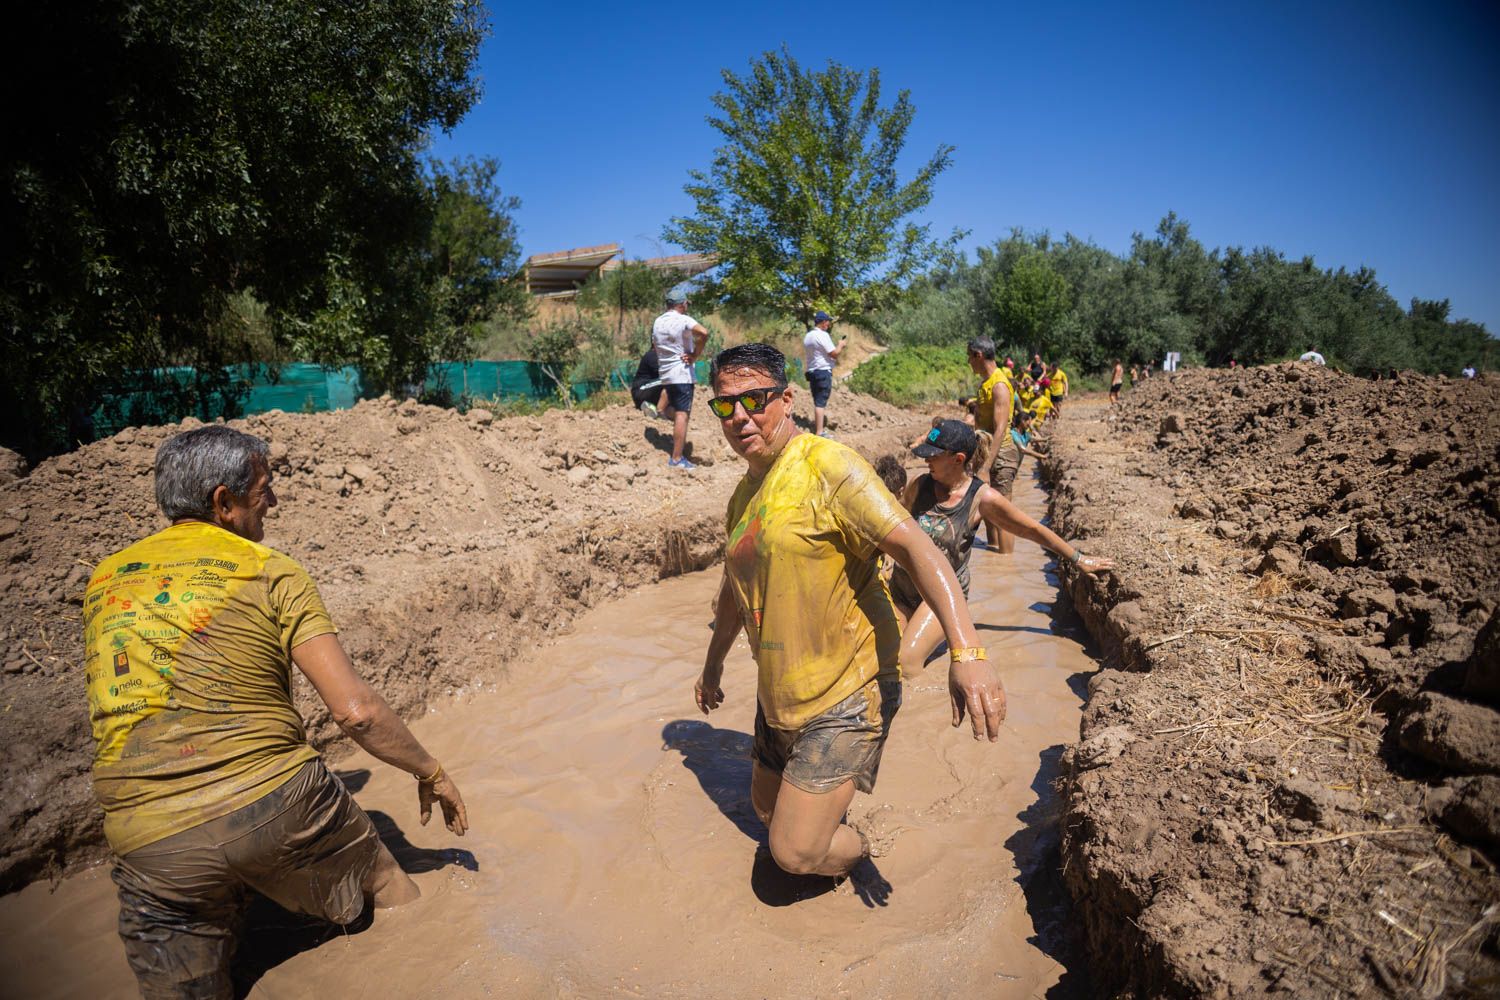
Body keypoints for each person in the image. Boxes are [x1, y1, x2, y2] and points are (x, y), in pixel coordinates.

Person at [85, 426, 468, 999]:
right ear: (223, 502)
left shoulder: (104, 580)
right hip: (279, 798)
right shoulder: (268, 570)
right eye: (265, 490)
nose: (275, 502)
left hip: (148, 839)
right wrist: (431, 772)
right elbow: (357, 712)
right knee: (392, 888)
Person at [694, 344, 1004, 880]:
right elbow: (732, 593)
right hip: (781, 690)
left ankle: (862, 848)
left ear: (787, 400)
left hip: (849, 690)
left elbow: (918, 550)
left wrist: (967, 650)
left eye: (756, 400)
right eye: (725, 405)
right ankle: (821, 814)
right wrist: (712, 666)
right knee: (765, 814)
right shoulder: (742, 496)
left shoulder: (829, 465)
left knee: (795, 854)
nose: (740, 416)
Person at [891, 420, 1113, 672]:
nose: (926, 460)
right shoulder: (919, 485)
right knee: (880, 658)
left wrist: (1078, 558)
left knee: (904, 663)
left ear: (958, 459)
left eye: (933, 456)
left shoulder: (982, 498)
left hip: (941, 597)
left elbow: (1031, 529)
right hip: (902, 587)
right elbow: (892, 525)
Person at [967, 337, 1020, 554]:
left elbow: (1000, 429)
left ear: (978, 355)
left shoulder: (999, 385)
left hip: (1001, 454)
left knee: (1003, 511)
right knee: (988, 507)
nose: (968, 362)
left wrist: (986, 466)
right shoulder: (985, 384)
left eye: (969, 357)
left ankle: (1005, 563)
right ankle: (993, 554)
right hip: (986, 452)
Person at [652, 289, 710, 469]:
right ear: (682, 304)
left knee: (672, 410)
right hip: (682, 374)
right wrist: (695, 355)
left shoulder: (658, 322)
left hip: (666, 373)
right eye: (686, 304)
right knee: (682, 415)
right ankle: (677, 459)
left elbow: (654, 344)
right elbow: (704, 332)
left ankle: (666, 417)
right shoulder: (683, 320)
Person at [802, 310, 846, 438]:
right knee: (820, 403)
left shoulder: (808, 336)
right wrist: (841, 345)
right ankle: (820, 432)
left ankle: (818, 429)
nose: (828, 324)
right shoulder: (823, 335)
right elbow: (834, 353)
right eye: (827, 322)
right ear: (823, 322)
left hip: (812, 372)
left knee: (817, 401)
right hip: (823, 372)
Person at [629, 345, 667, 417]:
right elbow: (665, 373)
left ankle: (652, 407)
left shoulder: (662, 356)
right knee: (670, 381)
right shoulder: (652, 355)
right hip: (640, 390)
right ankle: (659, 412)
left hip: (650, 390)